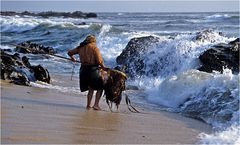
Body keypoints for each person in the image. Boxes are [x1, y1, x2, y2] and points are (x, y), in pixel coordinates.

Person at [68, 35, 105, 110]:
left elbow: (69, 53)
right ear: (93, 41)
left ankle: (88, 105)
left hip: (83, 70)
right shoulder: (94, 48)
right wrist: (103, 68)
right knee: (100, 88)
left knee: (91, 88)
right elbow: (99, 61)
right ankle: (96, 105)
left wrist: (73, 59)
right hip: (93, 70)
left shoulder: (80, 47)